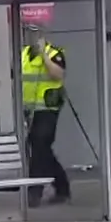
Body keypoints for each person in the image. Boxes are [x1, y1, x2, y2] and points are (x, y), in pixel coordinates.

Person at [21, 25, 70, 206]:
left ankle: (34, 192)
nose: (32, 37)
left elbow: (58, 74)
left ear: (42, 35)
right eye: (29, 33)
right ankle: (62, 186)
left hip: (48, 108)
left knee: (39, 144)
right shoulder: (24, 54)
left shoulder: (53, 53)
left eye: (36, 33)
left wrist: (43, 56)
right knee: (42, 149)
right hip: (30, 110)